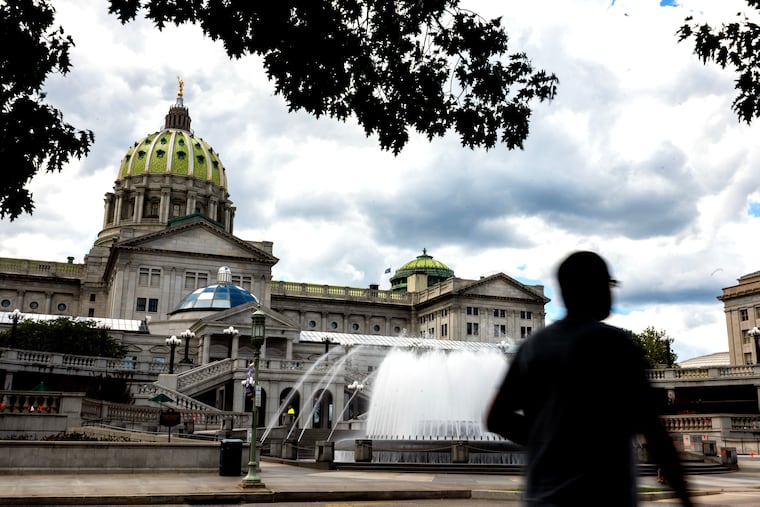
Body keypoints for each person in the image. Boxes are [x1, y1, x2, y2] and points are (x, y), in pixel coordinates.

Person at [485, 251, 692, 506]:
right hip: (604, 496)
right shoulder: (614, 345)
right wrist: (686, 499)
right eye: (608, 284)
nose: (610, 292)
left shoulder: (533, 347)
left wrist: (549, 442)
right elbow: (655, 433)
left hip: (543, 498)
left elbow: (496, 417)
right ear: (592, 287)